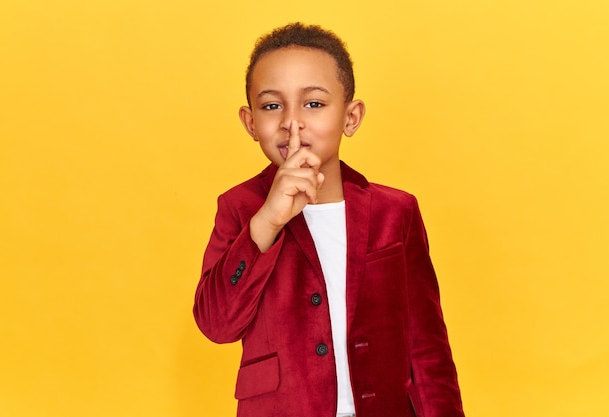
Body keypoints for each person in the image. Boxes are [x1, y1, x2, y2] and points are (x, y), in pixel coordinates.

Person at [193, 22, 465, 417]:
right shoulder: (240, 208)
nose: (292, 122)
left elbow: (427, 347)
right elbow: (217, 325)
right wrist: (266, 223)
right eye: (272, 106)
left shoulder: (396, 212)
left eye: (314, 104)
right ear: (251, 122)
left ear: (351, 117)